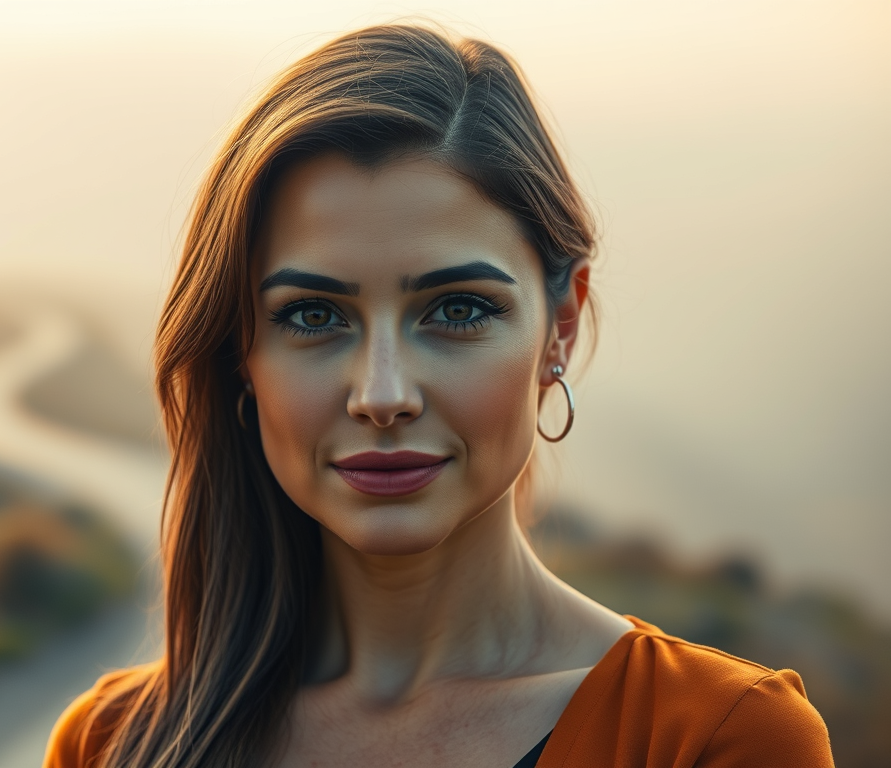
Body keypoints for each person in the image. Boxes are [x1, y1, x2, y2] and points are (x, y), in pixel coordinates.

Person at [43, 23, 834, 768]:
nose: (382, 395)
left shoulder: (715, 740)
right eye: (313, 316)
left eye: (456, 310)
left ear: (560, 325)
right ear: (241, 357)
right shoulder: (114, 744)